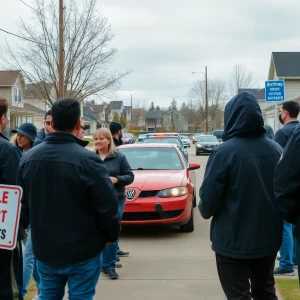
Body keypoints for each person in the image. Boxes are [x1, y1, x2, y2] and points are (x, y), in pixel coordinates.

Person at [17, 98, 120, 299]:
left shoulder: (28, 159)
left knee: (47, 294)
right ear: (78, 125)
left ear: (52, 124)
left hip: (46, 249)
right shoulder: (89, 160)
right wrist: (110, 235)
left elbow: (23, 203)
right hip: (83, 250)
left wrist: (24, 225)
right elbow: (107, 206)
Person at [199, 92, 283, 299]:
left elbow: (209, 201)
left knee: (238, 295)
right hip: (268, 238)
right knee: (265, 290)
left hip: (232, 241)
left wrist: (204, 209)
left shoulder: (224, 152)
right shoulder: (276, 149)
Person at [93, 128, 134, 279]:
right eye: (96, 139)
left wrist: (117, 179)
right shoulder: (90, 158)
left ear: (109, 140)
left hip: (116, 200)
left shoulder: (119, 157)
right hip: (95, 202)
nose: (97, 141)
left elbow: (130, 176)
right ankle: (99, 264)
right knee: (97, 233)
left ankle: (109, 266)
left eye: (101, 139)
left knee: (112, 232)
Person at [0, 96, 23, 300]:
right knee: (8, 284)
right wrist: (22, 226)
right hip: (4, 232)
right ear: (3, 120)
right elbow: (15, 189)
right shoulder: (7, 149)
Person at [273, 100, 300, 276]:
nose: (280, 114)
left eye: (281, 111)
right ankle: (292, 259)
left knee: (285, 227)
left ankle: (286, 262)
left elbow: (281, 167)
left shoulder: (283, 133)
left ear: (286, 113)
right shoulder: (296, 131)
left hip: (292, 196)